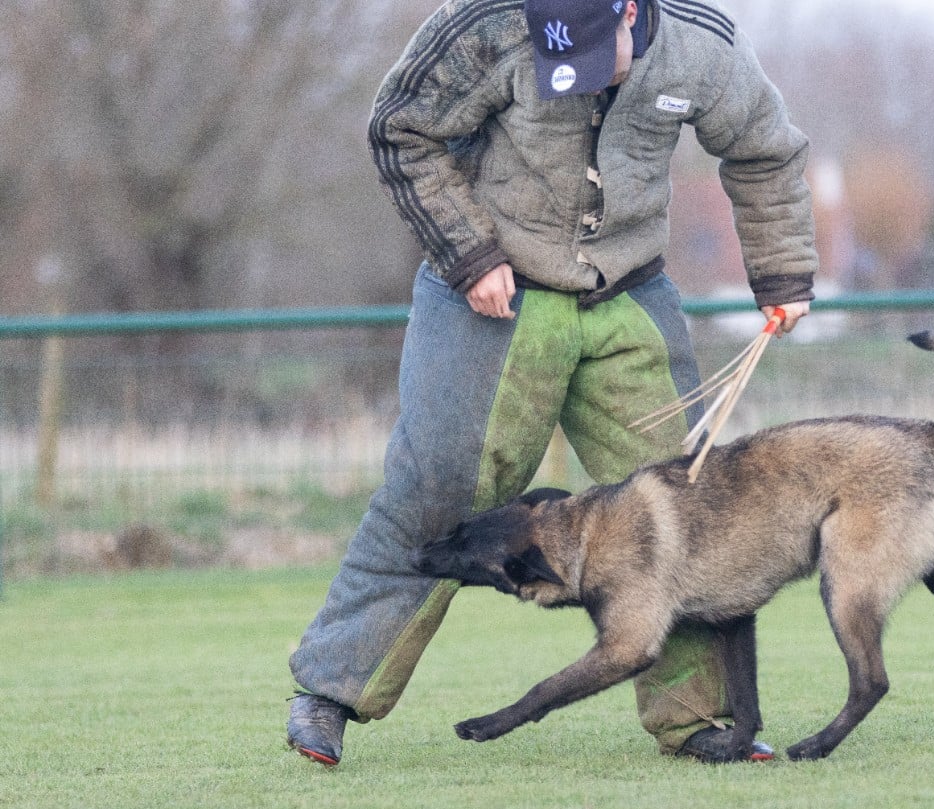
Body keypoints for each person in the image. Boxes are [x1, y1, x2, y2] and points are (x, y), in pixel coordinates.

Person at [286, 0, 817, 766]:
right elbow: (402, 127)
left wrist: (783, 270)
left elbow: (767, 148)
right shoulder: (487, 23)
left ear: (631, 10)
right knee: (435, 486)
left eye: (599, 54)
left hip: (628, 293)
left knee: (689, 498)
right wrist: (469, 252)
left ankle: (698, 720)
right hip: (491, 290)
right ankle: (331, 690)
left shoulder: (705, 46)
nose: (581, 80)